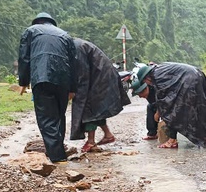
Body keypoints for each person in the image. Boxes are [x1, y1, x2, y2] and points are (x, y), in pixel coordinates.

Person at [18, 12, 76, 163]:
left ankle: (57, 157)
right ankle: (57, 150)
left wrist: (23, 82)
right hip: (63, 80)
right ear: (52, 23)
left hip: (42, 77)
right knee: (58, 116)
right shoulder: (65, 35)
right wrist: (72, 88)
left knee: (46, 118)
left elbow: (24, 58)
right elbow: (74, 63)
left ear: (37, 22)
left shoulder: (30, 31)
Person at [131, 62, 206, 149]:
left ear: (146, 78)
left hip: (189, 79)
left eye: (144, 81)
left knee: (173, 110)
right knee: (199, 106)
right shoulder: (158, 70)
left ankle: (172, 141)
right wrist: (159, 110)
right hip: (197, 74)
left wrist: (159, 112)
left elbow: (166, 102)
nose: (146, 83)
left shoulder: (157, 77)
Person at [71, 38, 130, 152]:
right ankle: (108, 135)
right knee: (98, 109)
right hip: (102, 75)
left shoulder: (77, 48)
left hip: (100, 77)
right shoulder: (77, 45)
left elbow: (82, 73)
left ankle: (91, 141)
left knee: (89, 107)